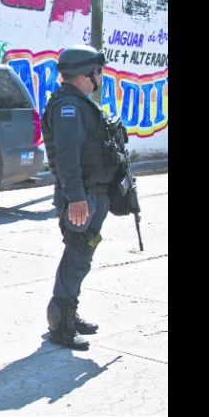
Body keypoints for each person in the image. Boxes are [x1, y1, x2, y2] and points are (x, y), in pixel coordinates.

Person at [41, 44, 120, 350]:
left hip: (90, 194)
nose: (101, 76)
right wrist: (76, 198)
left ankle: (67, 312)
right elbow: (67, 157)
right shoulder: (68, 108)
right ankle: (61, 323)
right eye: (98, 71)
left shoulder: (77, 103)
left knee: (80, 255)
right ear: (88, 73)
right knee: (77, 253)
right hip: (81, 196)